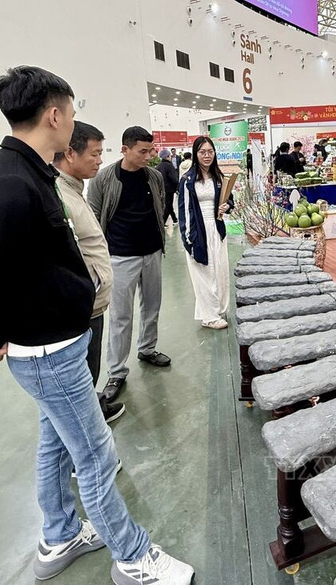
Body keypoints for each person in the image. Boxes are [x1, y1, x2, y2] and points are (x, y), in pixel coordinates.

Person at [0, 65, 193, 585]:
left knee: (55, 444)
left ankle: (59, 536)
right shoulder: (7, 184)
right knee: (95, 455)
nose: (73, 121)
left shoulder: (32, 173)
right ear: (54, 114)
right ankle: (134, 558)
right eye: (70, 111)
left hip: (56, 342)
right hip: (47, 351)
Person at [88, 126, 171, 403]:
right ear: (125, 149)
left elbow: (159, 207)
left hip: (152, 252)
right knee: (121, 316)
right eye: (142, 151)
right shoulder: (104, 179)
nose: (149, 156)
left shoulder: (154, 177)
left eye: (151, 150)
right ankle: (117, 371)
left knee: (152, 305)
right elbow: (94, 217)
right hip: (120, 256)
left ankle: (147, 348)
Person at [53, 121, 123, 423]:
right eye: (94, 154)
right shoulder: (58, 196)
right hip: (81, 307)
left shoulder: (74, 189)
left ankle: (92, 406)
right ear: (70, 153)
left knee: (89, 372)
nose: (99, 160)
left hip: (92, 304)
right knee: (82, 375)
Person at [178, 137, 233, 330]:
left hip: (216, 229)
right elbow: (184, 212)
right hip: (198, 232)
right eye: (202, 152)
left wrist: (226, 207)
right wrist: (189, 240)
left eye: (210, 151)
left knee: (219, 272)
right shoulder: (187, 180)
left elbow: (229, 200)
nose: (207, 155)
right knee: (203, 273)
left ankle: (216, 309)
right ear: (195, 154)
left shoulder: (218, 177)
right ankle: (209, 317)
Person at [156, 148, 179, 225]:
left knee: (168, 205)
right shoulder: (169, 166)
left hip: (161, 189)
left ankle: (175, 219)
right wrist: (176, 188)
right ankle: (162, 222)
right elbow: (174, 179)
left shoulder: (158, 166)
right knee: (168, 205)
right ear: (167, 156)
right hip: (169, 189)